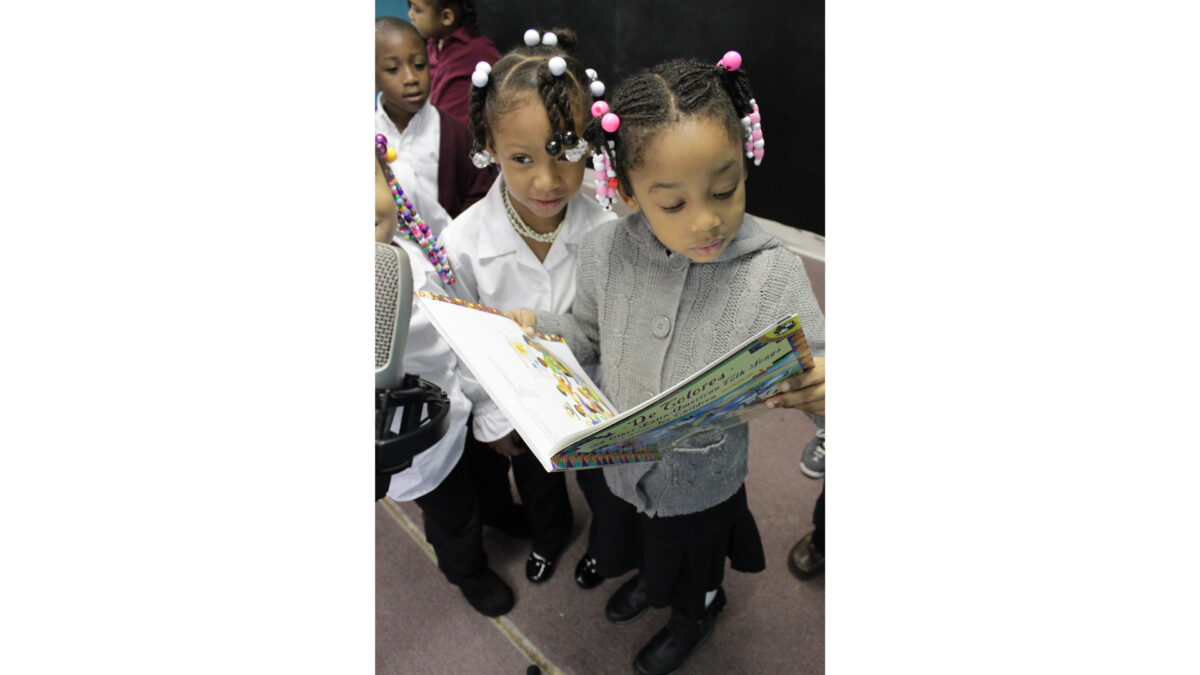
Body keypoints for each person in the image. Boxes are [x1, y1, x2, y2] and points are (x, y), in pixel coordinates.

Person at [504, 52, 826, 675]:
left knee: (692, 565)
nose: (708, 219)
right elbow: (588, 336)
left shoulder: (773, 272)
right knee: (637, 547)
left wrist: (826, 388)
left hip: (702, 485)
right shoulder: (604, 251)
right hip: (621, 468)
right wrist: (537, 327)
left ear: (746, 160)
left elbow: (818, 360)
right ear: (626, 192)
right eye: (672, 203)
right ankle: (655, 587)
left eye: (725, 189)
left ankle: (695, 614)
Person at [440, 28, 617, 589]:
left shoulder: (608, 229)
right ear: (488, 145)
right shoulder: (463, 242)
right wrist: (489, 418)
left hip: (594, 394)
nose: (547, 179)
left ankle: (607, 551)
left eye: (567, 152)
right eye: (521, 158)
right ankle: (550, 537)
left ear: (589, 140)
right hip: (518, 402)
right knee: (538, 483)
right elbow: (462, 341)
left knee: (607, 488)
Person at [375, 137, 514, 618]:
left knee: (491, 473)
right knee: (452, 513)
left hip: (462, 401)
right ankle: (466, 568)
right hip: (418, 442)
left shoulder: (412, 250)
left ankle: (500, 512)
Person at [375, 17, 495, 238]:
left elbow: (482, 197)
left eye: (419, 65)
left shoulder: (457, 135)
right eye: (393, 69)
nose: (411, 78)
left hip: (447, 258)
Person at [406, 0, 500, 126]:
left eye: (417, 10)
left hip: (467, 139)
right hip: (436, 133)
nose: (410, 15)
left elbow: (501, 93)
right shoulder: (432, 45)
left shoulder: (479, 49)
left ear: (446, 17)